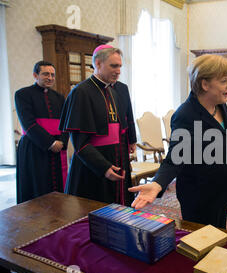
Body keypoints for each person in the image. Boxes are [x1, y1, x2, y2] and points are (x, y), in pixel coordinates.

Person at [129, 54, 227, 229]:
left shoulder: (221, 104)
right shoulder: (186, 115)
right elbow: (176, 158)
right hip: (199, 197)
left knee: (219, 238)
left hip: (222, 189)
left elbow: (226, 137)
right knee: (200, 245)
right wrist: (157, 183)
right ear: (205, 84)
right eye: (224, 81)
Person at [59, 45, 137, 205]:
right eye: (113, 66)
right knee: (95, 214)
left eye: (120, 66)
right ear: (98, 64)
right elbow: (80, 143)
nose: (118, 71)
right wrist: (104, 167)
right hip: (93, 167)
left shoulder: (113, 91)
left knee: (117, 211)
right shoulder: (81, 92)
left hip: (115, 158)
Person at [15, 61, 69, 204]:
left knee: (56, 188)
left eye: (52, 75)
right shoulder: (22, 94)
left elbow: (65, 123)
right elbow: (28, 123)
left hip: (57, 147)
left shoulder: (59, 97)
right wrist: (50, 143)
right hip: (34, 147)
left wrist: (62, 142)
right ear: (35, 75)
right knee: (36, 185)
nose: (50, 78)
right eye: (45, 74)